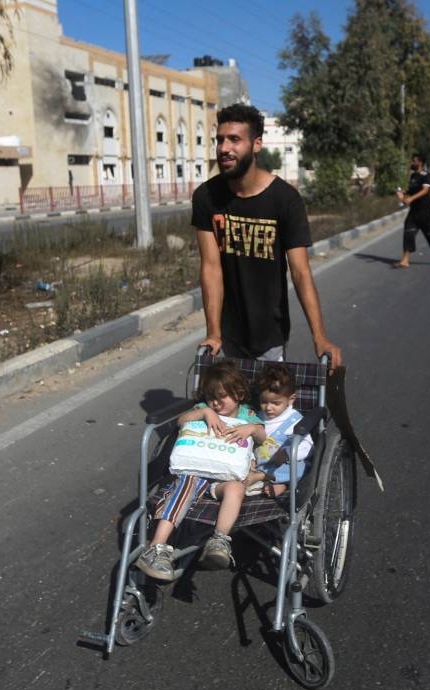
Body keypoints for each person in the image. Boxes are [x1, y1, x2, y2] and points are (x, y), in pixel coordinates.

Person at [191, 103, 341, 365]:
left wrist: (320, 337)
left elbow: (300, 271)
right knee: (229, 406)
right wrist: (213, 332)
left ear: (256, 144)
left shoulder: (285, 200)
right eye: (220, 140)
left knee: (268, 404)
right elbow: (211, 267)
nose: (224, 148)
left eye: (234, 140)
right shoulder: (206, 197)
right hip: (227, 336)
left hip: (269, 334)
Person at [136, 361, 266, 581]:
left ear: (239, 393)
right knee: (186, 484)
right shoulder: (204, 408)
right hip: (196, 471)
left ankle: (219, 540)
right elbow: (181, 421)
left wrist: (252, 428)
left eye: (221, 397)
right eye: (211, 397)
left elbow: (264, 437)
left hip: (224, 479)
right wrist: (205, 412)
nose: (215, 403)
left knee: (236, 488)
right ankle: (156, 547)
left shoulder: (247, 414)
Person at [243, 362, 313, 498]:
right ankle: (271, 481)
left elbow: (307, 447)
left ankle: (273, 480)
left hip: (284, 465)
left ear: (291, 399)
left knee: (303, 468)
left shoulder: (295, 420)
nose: (268, 408)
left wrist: (288, 452)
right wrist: (250, 459)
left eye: (276, 403)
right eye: (264, 402)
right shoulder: (255, 417)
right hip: (258, 465)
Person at [393, 152, 430, 268]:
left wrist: (411, 199)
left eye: (413, 161)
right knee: (408, 232)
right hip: (414, 211)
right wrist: (403, 193)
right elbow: (412, 190)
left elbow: (425, 190)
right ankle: (405, 260)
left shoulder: (425, 175)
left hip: (425, 212)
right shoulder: (413, 176)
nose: (411, 163)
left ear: (420, 162)